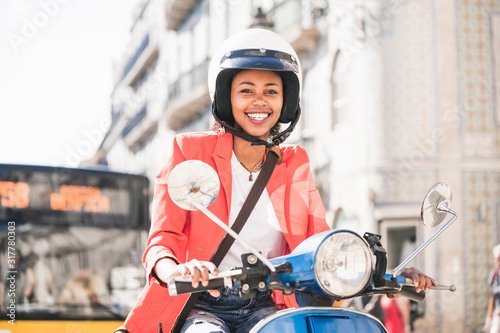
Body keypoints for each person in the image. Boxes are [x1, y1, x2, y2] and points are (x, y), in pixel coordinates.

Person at [118, 28, 437, 333]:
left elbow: (321, 245)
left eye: (271, 91)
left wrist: (388, 274)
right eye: (246, 91)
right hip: (199, 302)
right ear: (227, 98)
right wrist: (177, 270)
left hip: (267, 304)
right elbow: (163, 238)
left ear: (286, 100)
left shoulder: (294, 163)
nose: (260, 101)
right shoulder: (189, 151)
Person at [485, 244, 500, 333]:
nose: (497, 260)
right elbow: (493, 295)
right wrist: (489, 316)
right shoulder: (495, 273)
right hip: (497, 314)